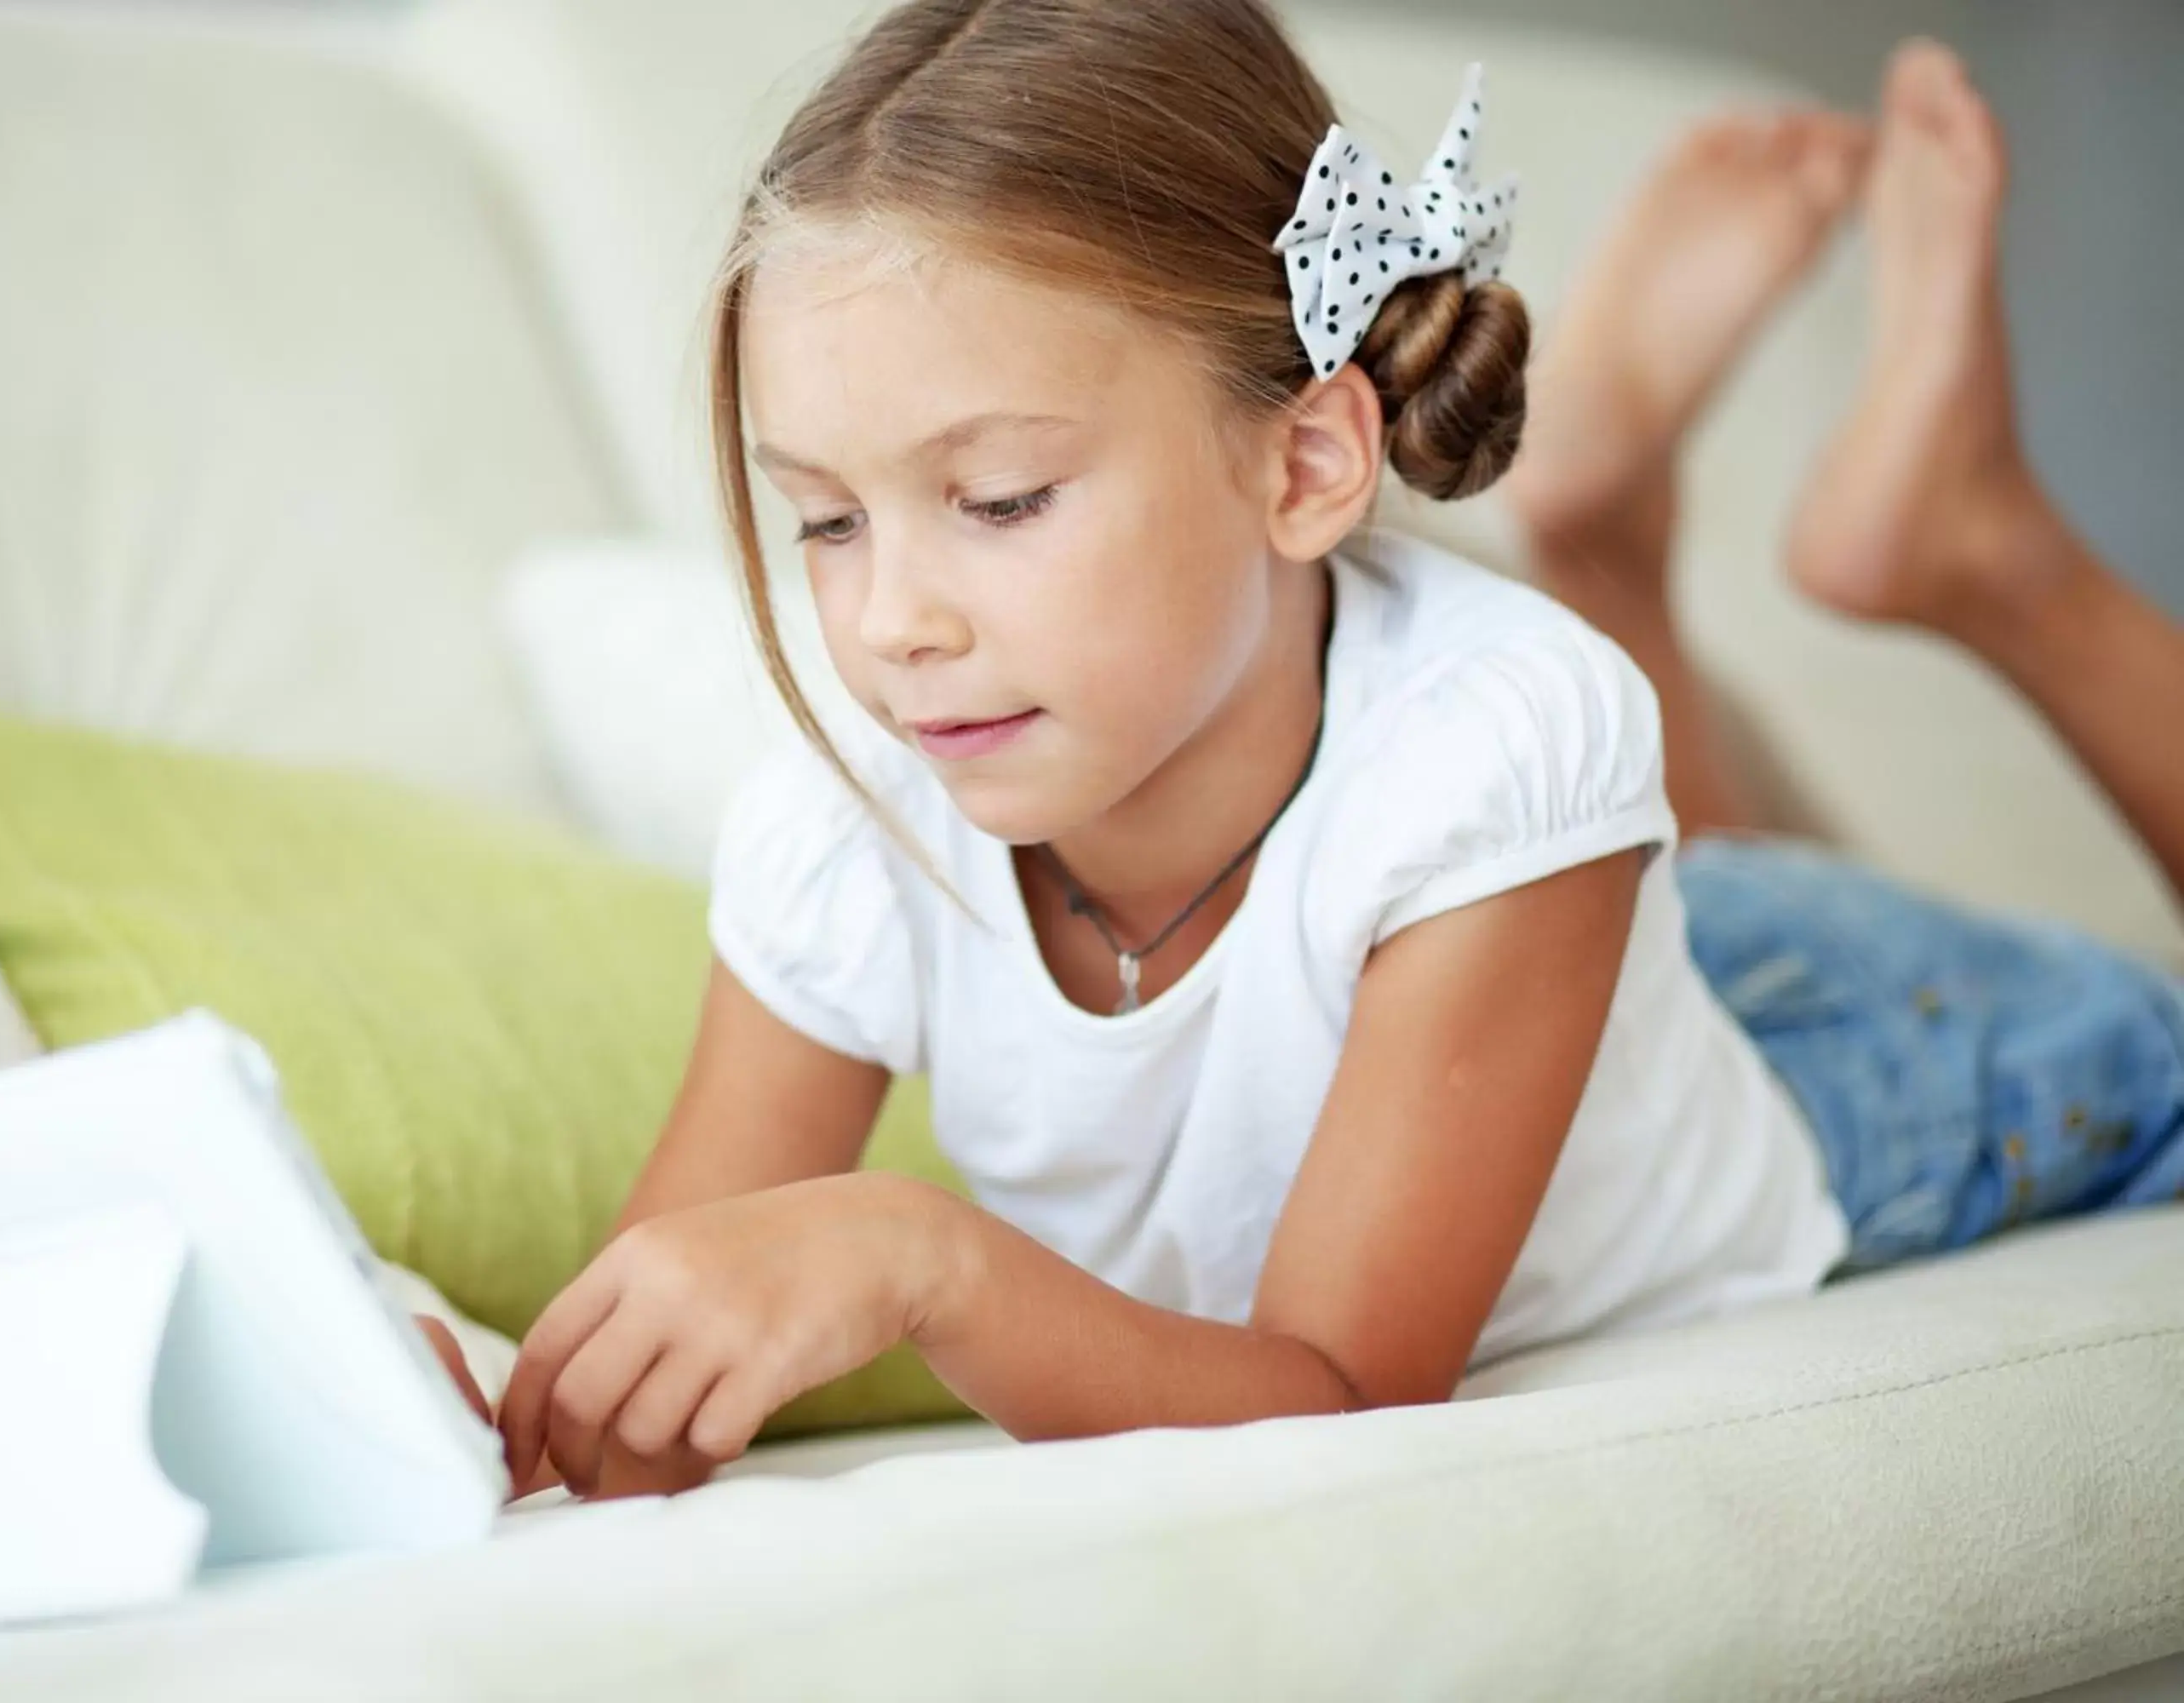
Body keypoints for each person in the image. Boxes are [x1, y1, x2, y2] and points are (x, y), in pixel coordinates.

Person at [449, 3, 2184, 1503]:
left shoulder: (1499, 747)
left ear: (1305, 467)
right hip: (1566, 968)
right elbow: (644, 1344)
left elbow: (1338, 1389)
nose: (895, 618)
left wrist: (923, 1257)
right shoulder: (856, 805)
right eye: (825, 520)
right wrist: (458, 1393)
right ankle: (1608, 528)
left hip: (1839, 1057)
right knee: (1697, 878)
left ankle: (1979, 550)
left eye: (995, 501)